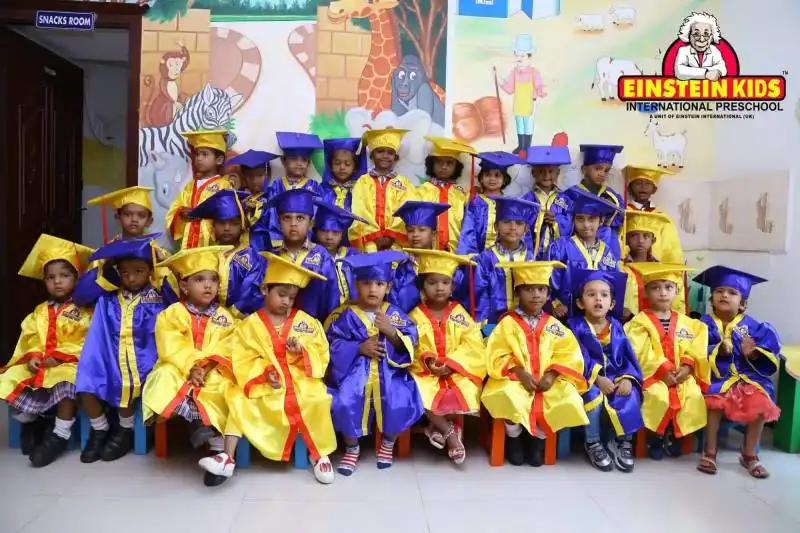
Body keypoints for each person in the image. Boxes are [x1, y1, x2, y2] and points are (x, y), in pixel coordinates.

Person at [199, 253, 338, 485]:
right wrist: (265, 372)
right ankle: (227, 457)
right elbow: (242, 357)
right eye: (281, 294)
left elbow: (321, 352)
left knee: (316, 399)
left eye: (291, 297)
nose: (286, 301)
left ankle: (320, 455)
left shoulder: (305, 322)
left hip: (300, 380)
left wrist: (301, 351)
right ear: (265, 290)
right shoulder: (249, 325)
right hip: (265, 382)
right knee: (239, 398)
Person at [74, 234, 176, 463]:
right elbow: (80, 296)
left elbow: (176, 299)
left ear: (150, 270)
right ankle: (99, 428)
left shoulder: (157, 297)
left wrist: (162, 265)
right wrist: (104, 263)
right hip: (109, 357)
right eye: (125, 272)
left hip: (145, 360)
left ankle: (125, 429)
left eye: (139, 271)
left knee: (127, 382)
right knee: (85, 381)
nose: (131, 278)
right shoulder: (108, 296)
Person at [141, 246, 238, 483]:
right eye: (199, 279)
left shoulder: (225, 317)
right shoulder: (172, 314)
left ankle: (217, 449)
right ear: (184, 286)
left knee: (223, 389)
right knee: (164, 377)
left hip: (213, 370)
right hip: (179, 368)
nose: (208, 285)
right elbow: (171, 345)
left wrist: (206, 366)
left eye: (213, 279)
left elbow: (230, 346)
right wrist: (191, 366)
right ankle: (200, 428)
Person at [482, 261, 588, 466]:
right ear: (517, 293)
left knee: (567, 397)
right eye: (528, 289)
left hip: (548, 380)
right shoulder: (507, 323)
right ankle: (514, 438)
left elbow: (568, 354)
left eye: (541, 289)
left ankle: (538, 440)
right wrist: (519, 372)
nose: (536, 295)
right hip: (514, 377)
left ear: (548, 294)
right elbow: (496, 353)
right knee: (507, 395)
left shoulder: (554, 326)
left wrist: (552, 375)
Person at [0, 235, 94, 467]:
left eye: (64, 275)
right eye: (51, 277)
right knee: (11, 376)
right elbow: (30, 336)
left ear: (77, 277)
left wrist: (59, 357)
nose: (57, 282)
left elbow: (85, 341)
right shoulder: (39, 311)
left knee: (66, 382)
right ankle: (30, 422)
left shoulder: (84, 311)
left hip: (69, 364)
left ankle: (59, 434)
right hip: (41, 362)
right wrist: (33, 355)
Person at [326, 251, 423, 475]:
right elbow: (333, 343)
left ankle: (388, 443)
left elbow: (411, 341)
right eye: (366, 283)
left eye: (379, 284)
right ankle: (352, 448)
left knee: (399, 399)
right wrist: (358, 348)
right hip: (354, 373)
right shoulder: (348, 315)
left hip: (389, 373)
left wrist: (391, 332)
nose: (372, 289)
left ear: (388, 287)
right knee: (343, 401)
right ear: (356, 286)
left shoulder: (394, 314)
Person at [693, 266, 781, 478]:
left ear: (743, 303)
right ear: (712, 298)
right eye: (719, 291)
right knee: (714, 402)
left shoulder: (753, 327)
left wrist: (753, 354)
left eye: (732, 292)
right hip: (716, 377)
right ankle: (710, 451)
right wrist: (717, 350)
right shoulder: (702, 325)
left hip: (747, 379)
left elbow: (770, 349)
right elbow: (693, 350)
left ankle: (749, 453)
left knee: (761, 403)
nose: (724, 295)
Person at [623, 262, 709, 460]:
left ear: (676, 291)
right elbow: (640, 351)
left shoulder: (690, 324)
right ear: (646, 292)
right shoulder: (639, 323)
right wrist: (663, 371)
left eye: (668, 287)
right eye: (656, 288)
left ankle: (677, 436)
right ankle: (655, 437)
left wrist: (687, 367)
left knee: (692, 395)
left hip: (682, 375)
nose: (663, 292)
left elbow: (696, 348)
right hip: (654, 376)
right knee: (658, 396)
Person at [407, 249, 484, 464]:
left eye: (445, 282)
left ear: (452, 286)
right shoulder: (415, 315)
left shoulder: (460, 313)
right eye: (432, 283)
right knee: (418, 390)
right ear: (423, 286)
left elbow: (473, 343)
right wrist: (429, 360)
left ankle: (436, 427)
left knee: (465, 388)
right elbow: (412, 345)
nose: (439, 288)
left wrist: (452, 364)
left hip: (456, 370)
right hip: (425, 372)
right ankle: (450, 433)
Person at [566, 270, 643, 473]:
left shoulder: (616, 327)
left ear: (612, 303)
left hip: (616, 375)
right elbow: (576, 356)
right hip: (587, 378)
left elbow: (627, 357)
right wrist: (598, 379)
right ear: (580, 303)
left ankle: (623, 441)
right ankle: (593, 443)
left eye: (604, 295)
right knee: (593, 396)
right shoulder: (575, 327)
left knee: (630, 393)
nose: (598, 299)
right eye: (591, 294)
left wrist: (627, 378)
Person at [74, 186, 170, 307]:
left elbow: (170, 296)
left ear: (149, 221)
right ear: (118, 217)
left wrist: (163, 265)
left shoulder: (157, 254)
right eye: (127, 214)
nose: (134, 219)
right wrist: (107, 268)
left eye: (141, 215)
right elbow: (82, 297)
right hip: (113, 312)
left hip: (147, 313)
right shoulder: (105, 253)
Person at [186, 189, 266, 318]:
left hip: (240, 320)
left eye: (234, 223)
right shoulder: (205, 254)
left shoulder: (253, 258)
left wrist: (230, 315)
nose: (227, 228)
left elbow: (252, 293)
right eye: (222, 223)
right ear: (213, 225)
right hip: (206, 318)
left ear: (242, 225)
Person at [266, 189, 339, 324]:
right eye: (287, 218)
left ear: (310, 223)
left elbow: (331, 300)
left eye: (300, 218)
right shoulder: (272, 257)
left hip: (312, 328)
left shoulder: (322, 257)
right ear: (279, 223)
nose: (293, 224)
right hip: (276, 328)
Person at [548, 187, 622, 319]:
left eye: (592, 219)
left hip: (598, 316)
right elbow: (547, 280)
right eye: (580, 219)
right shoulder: (560, 247)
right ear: (573, 220)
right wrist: (555, 303)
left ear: (601, 221)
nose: (586, 225)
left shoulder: (607, 252)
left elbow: (614, 286)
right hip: (566, 315)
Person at [472, 196, 539, 328]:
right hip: (492, 325)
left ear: (526, 229)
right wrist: (483, 325)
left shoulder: (530, 259)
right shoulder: (485, 259)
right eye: (507, 222)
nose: (513, 227)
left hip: (523, 325)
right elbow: (479, 295)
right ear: (496, 226)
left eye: (519, 223)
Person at [253, 132, 324, 251]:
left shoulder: (314, 187)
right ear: (283, 161)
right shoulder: (276, 185)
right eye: (294, 159)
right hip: (279, 241)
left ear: (308, 163)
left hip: (306, 241)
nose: (299, 163)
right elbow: (271, 212)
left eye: (304, 160)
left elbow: (317, 214)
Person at [349, 128, 415, 252]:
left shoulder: (404, 183)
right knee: (370, 259)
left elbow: (407, 209)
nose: (385, 156)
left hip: (396, 241)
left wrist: (391, 234)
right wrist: (375, 234)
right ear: (372, 155)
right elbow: (360, 210)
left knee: (396, 259)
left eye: (390, 153)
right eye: (380, 151)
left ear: (396, 157)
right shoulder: (363, 181)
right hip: (368, 240)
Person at [166, 130, 233, 249]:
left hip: (211, 244)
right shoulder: (190, 186)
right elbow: (175, 208)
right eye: (197, 154)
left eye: (204, 154)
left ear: (219, 160)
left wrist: (205, 213)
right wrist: (181, 213)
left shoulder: (224, 185)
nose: (199, 158)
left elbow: (228, 213)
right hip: (188, 243)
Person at [456, 151, 527, 255]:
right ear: (481, 178)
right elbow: (468, 232)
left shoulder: (510, 204)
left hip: (505, 257)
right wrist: (470, 256)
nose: (492, 179)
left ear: (504, 180)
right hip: (480, 257)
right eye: (487, 175)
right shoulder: (475, 203)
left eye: (497, 175)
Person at [621, 210, 687, 319]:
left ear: (653, 240)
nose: (640, 241)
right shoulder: (620, 268)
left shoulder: (661, 270)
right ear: (626, 240)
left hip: (657, 323)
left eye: (646, 236)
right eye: (634, 235)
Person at [416, 136, 477, 252]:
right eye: (439, 162)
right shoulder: (421, 191)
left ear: (456, 167)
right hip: (428, 251)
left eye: (450, 163)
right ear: (432, 164)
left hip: (455, 251)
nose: (444, 167)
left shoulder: (461, 193)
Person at [389, 200, 452, 313]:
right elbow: (394, 304)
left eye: (422, 230)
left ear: (433, 234)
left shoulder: (446, 265)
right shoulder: (400, 269)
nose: (415, 235)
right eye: (410, 230)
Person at [565, 144, 625, 255]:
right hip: (578, 250)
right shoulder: (570, 195)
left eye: (606, 170)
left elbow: (618, 228)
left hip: (608, 250)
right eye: (598, 168)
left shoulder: (613, 198)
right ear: (584, 169)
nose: (602, 174)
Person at [623, 166, 684, 265]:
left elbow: (672, 248)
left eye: (648, 183)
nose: (643, 187)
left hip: (657, 266)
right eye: (638, 183)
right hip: (630, 266)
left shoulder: (662, 217)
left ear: (654, 189)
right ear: (631, 187)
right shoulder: (624, 213)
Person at [312, 201, 366, 307]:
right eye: (324, 231)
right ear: (316, 231)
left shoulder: (353, 256)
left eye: (335, 232)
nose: (329, 237)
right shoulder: (311, 258)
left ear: (342, 235)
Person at [521, 146, 572, 259]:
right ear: (533, 173)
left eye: (551, 171)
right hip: (533, 253)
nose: (546, 175)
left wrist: (556, 220)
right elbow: (522, 225)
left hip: (558, 254)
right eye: (541, 171)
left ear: (558, 173)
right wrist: (539, 218)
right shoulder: (527, 199)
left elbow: (571, 223)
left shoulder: (565, 199)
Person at [225, 149, 279, 227]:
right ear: (244, 176)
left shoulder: (273, 194)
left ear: (268, 174)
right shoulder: (239, 195)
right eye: (250, 176)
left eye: (259, 175)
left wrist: (258, 206)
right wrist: (242, 207)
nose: (254, 180)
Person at [320, 137, 368, 211]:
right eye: (337, 163)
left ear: (355, 168)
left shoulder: (360, 190)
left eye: (347, 164)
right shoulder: (322, 189)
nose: (342, 167)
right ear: (330, 166)